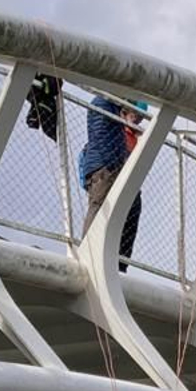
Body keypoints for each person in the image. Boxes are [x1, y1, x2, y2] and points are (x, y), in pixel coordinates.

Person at [78, 95, 142, 267]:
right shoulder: (106, 107)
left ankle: (106, 258)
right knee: (99, 209)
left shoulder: (109, 112)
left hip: (106, 167)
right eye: (134, 114)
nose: (137, 120)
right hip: (106, 167)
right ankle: (89, 253)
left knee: (110, 211)